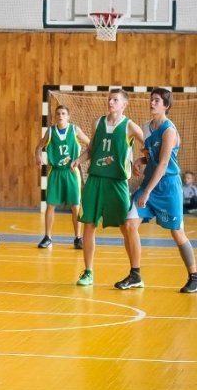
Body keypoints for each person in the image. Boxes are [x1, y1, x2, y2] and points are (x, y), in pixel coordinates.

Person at [115, 88, 197, 294]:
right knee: (128, 223)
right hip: (149, 184)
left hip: (167, 187)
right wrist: (140, 161)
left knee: (177, 232)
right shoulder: (146, 126)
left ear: (166, 106)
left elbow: (162, 164)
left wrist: (147, 192)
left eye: (157, 100)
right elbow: (151, 156)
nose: (152, 103)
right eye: (151, 100)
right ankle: (135, 275)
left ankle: (194, 277)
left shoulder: (169, 130)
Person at [73, 88, 143, 287]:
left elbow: (149, 147)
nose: (111, 102)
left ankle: (135, 273)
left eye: (115, 100)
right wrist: (78, 160)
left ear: (124, 104)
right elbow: (91, 149)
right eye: (109, 99)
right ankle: (88, 272)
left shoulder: (130, 126)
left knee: (126, 228)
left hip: (117, 182)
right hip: (96, 179)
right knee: (89, 225)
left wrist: (141, 161)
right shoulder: (98, 122)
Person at [34, 105, 90, 250]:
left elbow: (91, 144)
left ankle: (78, 238)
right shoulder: (51, 131)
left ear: (68, 116)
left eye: (63, 113)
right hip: (56, 172)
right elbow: (39, 147)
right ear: (55, 116)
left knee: (75, 207)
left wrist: (81, 160)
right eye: (58, 113)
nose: (60, 116)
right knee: (51, 206)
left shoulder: (74, 130)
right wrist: (38, 157)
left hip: (71, 172)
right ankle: (47, 237)